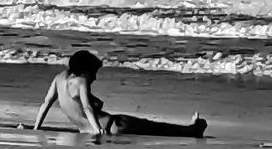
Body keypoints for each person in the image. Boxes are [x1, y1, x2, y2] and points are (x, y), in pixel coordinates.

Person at [30, 50, 205, 138]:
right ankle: (193, 130)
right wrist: (98, 130)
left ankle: (191, 130)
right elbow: (87, 108)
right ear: (85, 71)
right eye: (94, 73)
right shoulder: (81, 82)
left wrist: (35, 129)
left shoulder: (59, 79)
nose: (95, 78)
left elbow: (46, 103)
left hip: (85, 131)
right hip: (112, 125)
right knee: (154, 127)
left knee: (153, 129)